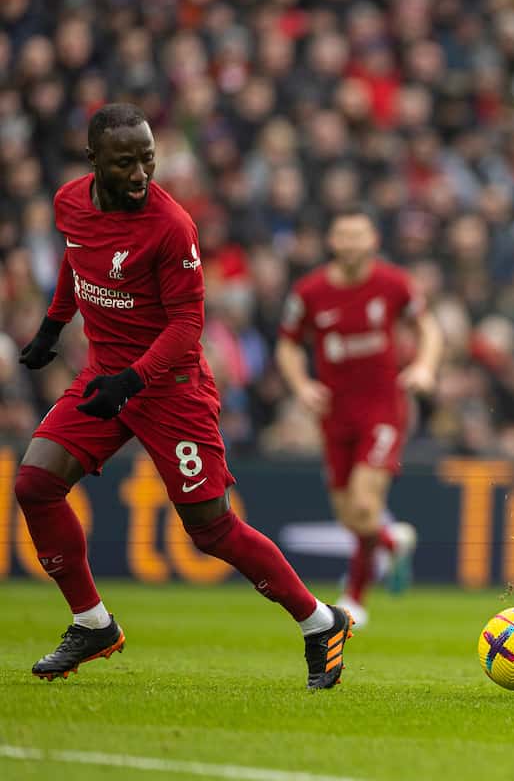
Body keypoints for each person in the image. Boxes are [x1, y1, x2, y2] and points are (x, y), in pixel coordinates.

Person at [15, 103, 352, 689]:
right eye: (125, 163)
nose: (141, 173)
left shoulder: (172, 227)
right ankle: (91, 622)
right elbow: (74, 260)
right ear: (94, 161)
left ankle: (320, 621)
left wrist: (131, 382)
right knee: (35, 484)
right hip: (105, 375)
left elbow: (185, 328)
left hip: (170, 389)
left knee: (211, 528)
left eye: (148, 158)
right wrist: (52, 325)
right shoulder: (69, 201)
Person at [276, 206, 442, 627]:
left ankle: (354, 596)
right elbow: (288, 345)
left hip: (383, 407)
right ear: (332, 242)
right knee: (349, 514)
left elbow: (428, 328)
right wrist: (301, 385)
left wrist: (423, 366)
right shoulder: (310, 292)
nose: (350, 243)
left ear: (373, 241)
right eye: (343, 236)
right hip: (334, 412)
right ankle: (391, 540)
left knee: (365, 502)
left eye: (358, 236)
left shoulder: (392, 283)